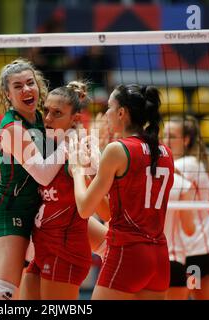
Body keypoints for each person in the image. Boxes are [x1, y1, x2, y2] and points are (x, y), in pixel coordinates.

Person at [70, 84, 174, 300]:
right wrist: (92, 176)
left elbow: (83, 209)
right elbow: (114, 209)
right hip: (160, 257)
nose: (106, 113)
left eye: (109, 107)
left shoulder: (118, 149)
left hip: (129, 253)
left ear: (121, 113)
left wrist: (78, 170)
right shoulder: (165, 152)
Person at [0, 58, 68, 300]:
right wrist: (71, 142)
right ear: (7, 94)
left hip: (38, 207)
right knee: (4, 292)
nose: (26, 89)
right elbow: (43, 173)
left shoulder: (41, 119)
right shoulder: (12, 128)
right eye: (18, 86)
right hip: (12, 209)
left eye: (30, 83)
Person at [19, 81, 110, 300]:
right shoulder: (45, 146)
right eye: (46, 111)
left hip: (65, 252)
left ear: (75, 119)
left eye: (57, 113)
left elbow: (104, 211)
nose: (48, 119)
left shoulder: (83, 150)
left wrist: (85, 169)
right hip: (43, 248)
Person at [163, 114, 209, 300]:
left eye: (171, 136)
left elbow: (157, 167)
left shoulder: (185, 164)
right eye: (163, 135)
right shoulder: (196, 163)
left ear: (186, 140)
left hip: (194, 258)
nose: (165, 140)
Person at [163, 172, 196, 300]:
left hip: (147, 259)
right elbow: (189, 229)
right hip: (174, 258)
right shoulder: (181, 183)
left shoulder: (136, 176)